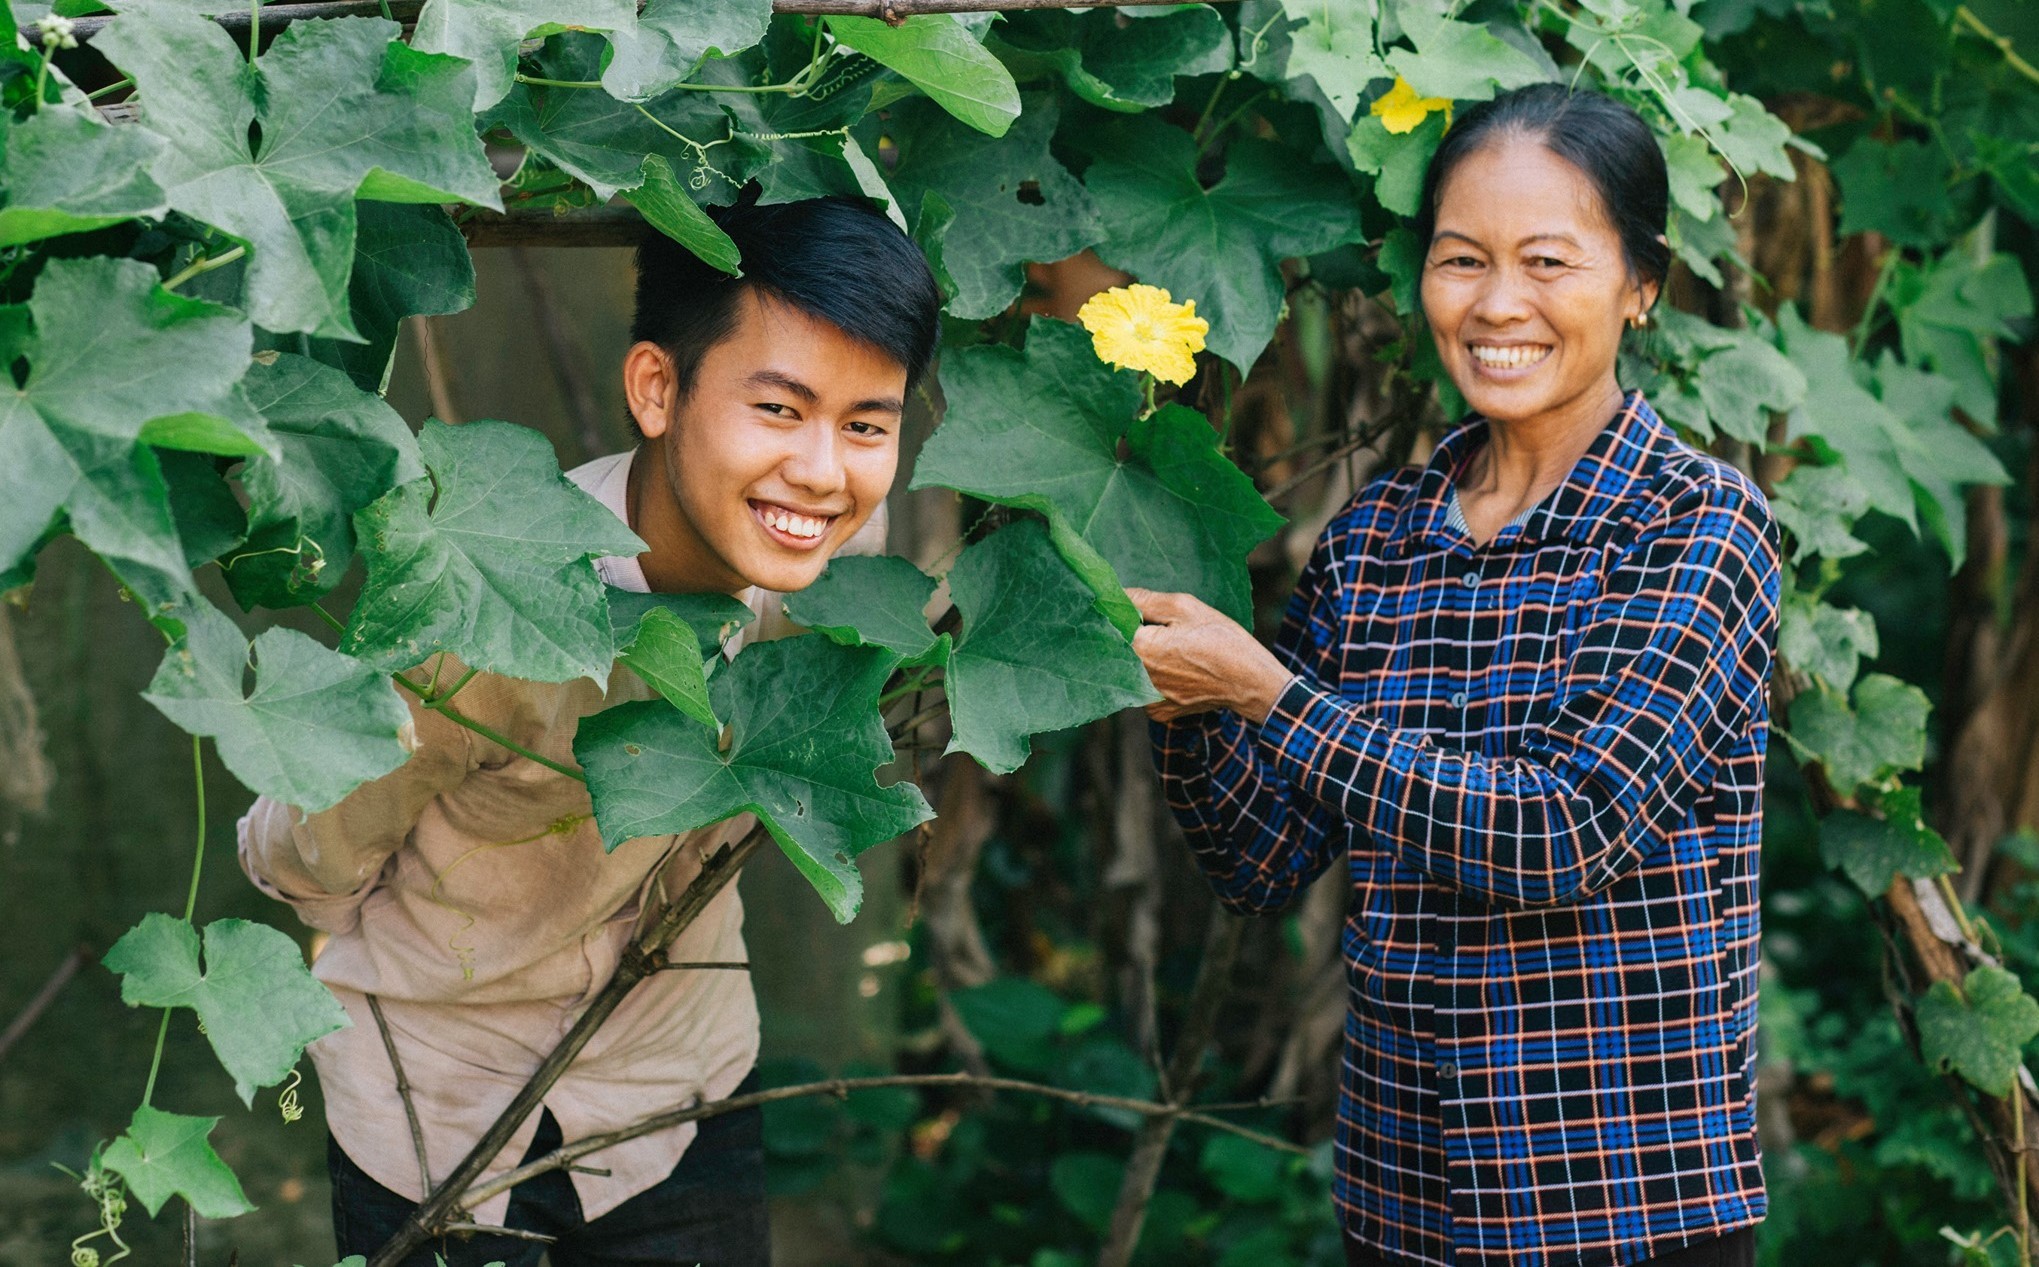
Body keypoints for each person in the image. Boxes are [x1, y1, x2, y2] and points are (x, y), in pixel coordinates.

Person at [1127, 84, 1778, 1267]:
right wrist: (1188, 702)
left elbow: (1562, 832)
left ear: (1639, 285)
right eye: (1459, 259)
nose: (1495, 305)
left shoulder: (1697, 526)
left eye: (1546, 261)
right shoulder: (1377, 538)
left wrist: (1267, 693)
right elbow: (1259, 860)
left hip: (1624, 1209)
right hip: (1403, 1203)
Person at [238, 196, 942, 1266]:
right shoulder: (483, 616)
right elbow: (300, 851)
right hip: (436, 1105)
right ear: (656, 388)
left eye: (865, 425)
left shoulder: (840, 565)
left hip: (681, 1085)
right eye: (780, 409)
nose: (820, 471)